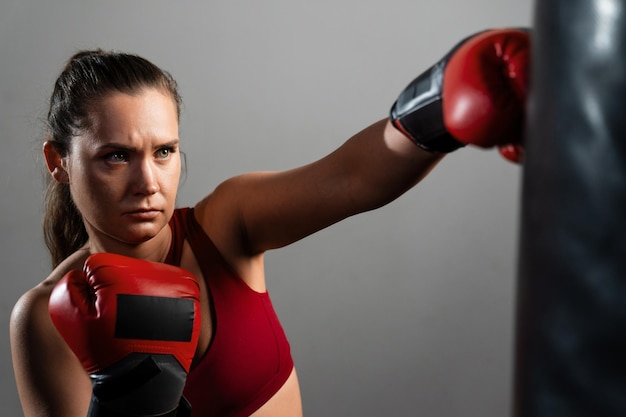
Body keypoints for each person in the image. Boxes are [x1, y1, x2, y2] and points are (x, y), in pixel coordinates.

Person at [10, 28, 529, 417]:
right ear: (59, 162)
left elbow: (354, 177)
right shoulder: (44, 318)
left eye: (164, 151)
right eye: (116, 157)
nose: (149, 181)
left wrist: (445, 102)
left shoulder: (227, 225)